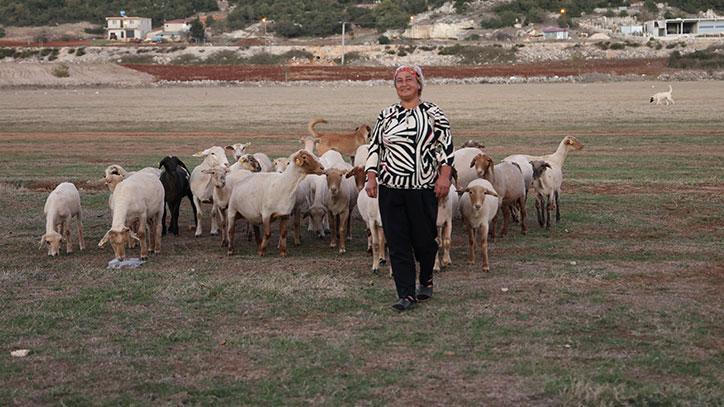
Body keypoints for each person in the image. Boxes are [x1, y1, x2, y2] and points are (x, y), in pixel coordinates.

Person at [364, 65, 453, 311]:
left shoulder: (434, 114)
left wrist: (444, 177)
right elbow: (375, 149)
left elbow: (445, 149)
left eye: (409, 80)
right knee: (397, 240)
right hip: (391, 187)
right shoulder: (386, 115)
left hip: (423, 186)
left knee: (425, 241)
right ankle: (406, 294)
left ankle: (426, 278)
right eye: (399, 81)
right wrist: (371, 177)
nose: (404, 84)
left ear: (419, 84)